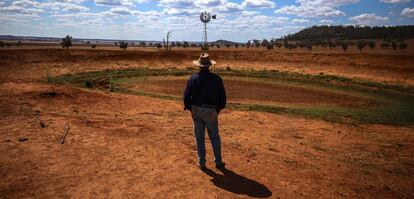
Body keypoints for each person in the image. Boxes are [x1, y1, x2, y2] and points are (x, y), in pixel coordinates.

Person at [183, 53, 226, 170]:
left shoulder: (193, 78)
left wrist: (191, 110)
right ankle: (218, 162)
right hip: (212, 110)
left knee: (199, 138)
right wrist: (217, 111)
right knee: (215, 137)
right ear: (209, 66)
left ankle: (202, 163)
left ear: (199, 65)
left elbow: (186, 96)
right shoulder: (217, 79)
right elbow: (223, 98)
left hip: (196, 109)